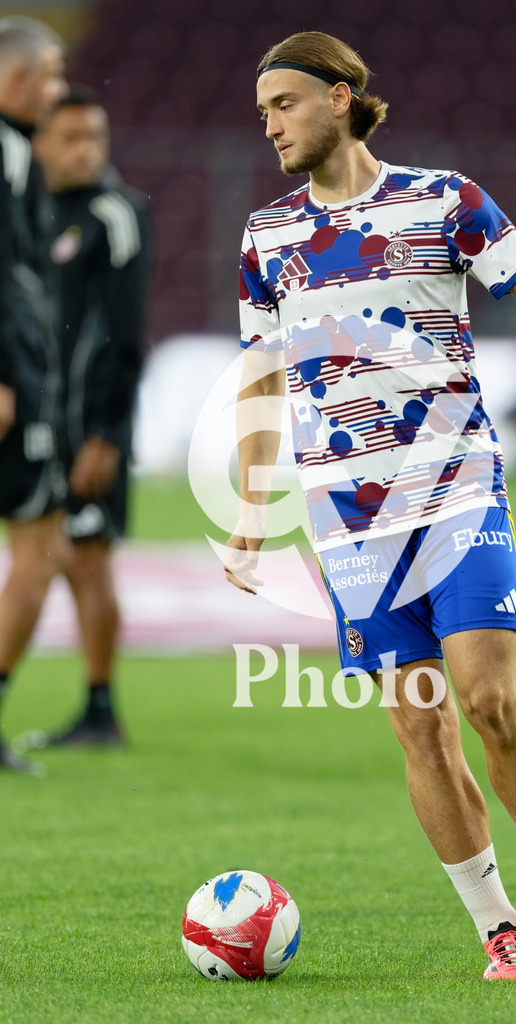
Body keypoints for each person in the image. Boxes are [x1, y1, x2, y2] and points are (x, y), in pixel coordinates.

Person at [225, 31, 516, 980]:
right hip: (347, 516)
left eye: (284, 103)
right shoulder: (265, 237)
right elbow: (261, 377)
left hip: (455, 485)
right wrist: (250, 510)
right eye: (263, 111)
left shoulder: (443, 197)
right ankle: (497, 928)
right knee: (418, 725)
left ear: (343, 94)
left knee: (485, 698)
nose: (270, 123)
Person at [21, 89, 149, 747]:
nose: (84, 151)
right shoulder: (35, 212)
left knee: (87, 560)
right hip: (42, 419)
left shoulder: (113, 215)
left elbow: (127, 336)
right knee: (61, 559)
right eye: (70, 139)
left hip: (90, 425)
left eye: (93, 138)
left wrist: (108, 433)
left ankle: (101, 708)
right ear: (40, 144)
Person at [0, 16, 68, 773]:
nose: (56, 91)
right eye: (50, 75)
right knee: (38, 546)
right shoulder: (9, 151)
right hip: (14, 381)